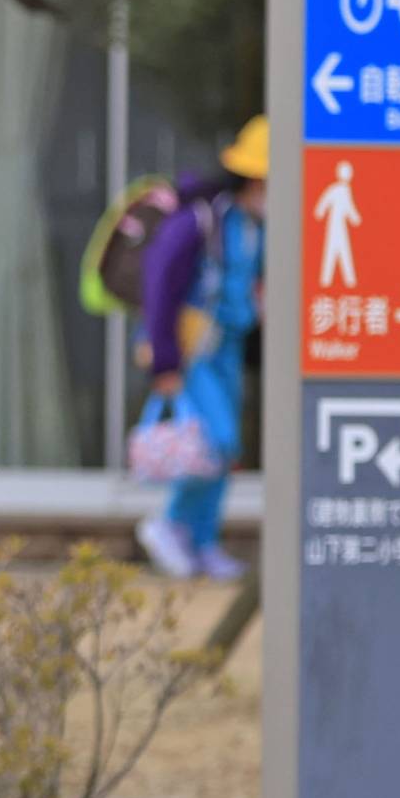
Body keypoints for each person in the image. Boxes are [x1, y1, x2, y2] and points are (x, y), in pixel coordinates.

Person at [136, 116, 268, 582]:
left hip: (227, 349)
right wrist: (165, 360)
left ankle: (202, 541)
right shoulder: (200, 220)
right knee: (216, 439)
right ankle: (171, 523)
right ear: (254, 180)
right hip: (193, 353)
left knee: (218, 451)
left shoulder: (256, 229)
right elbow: (160, 289)